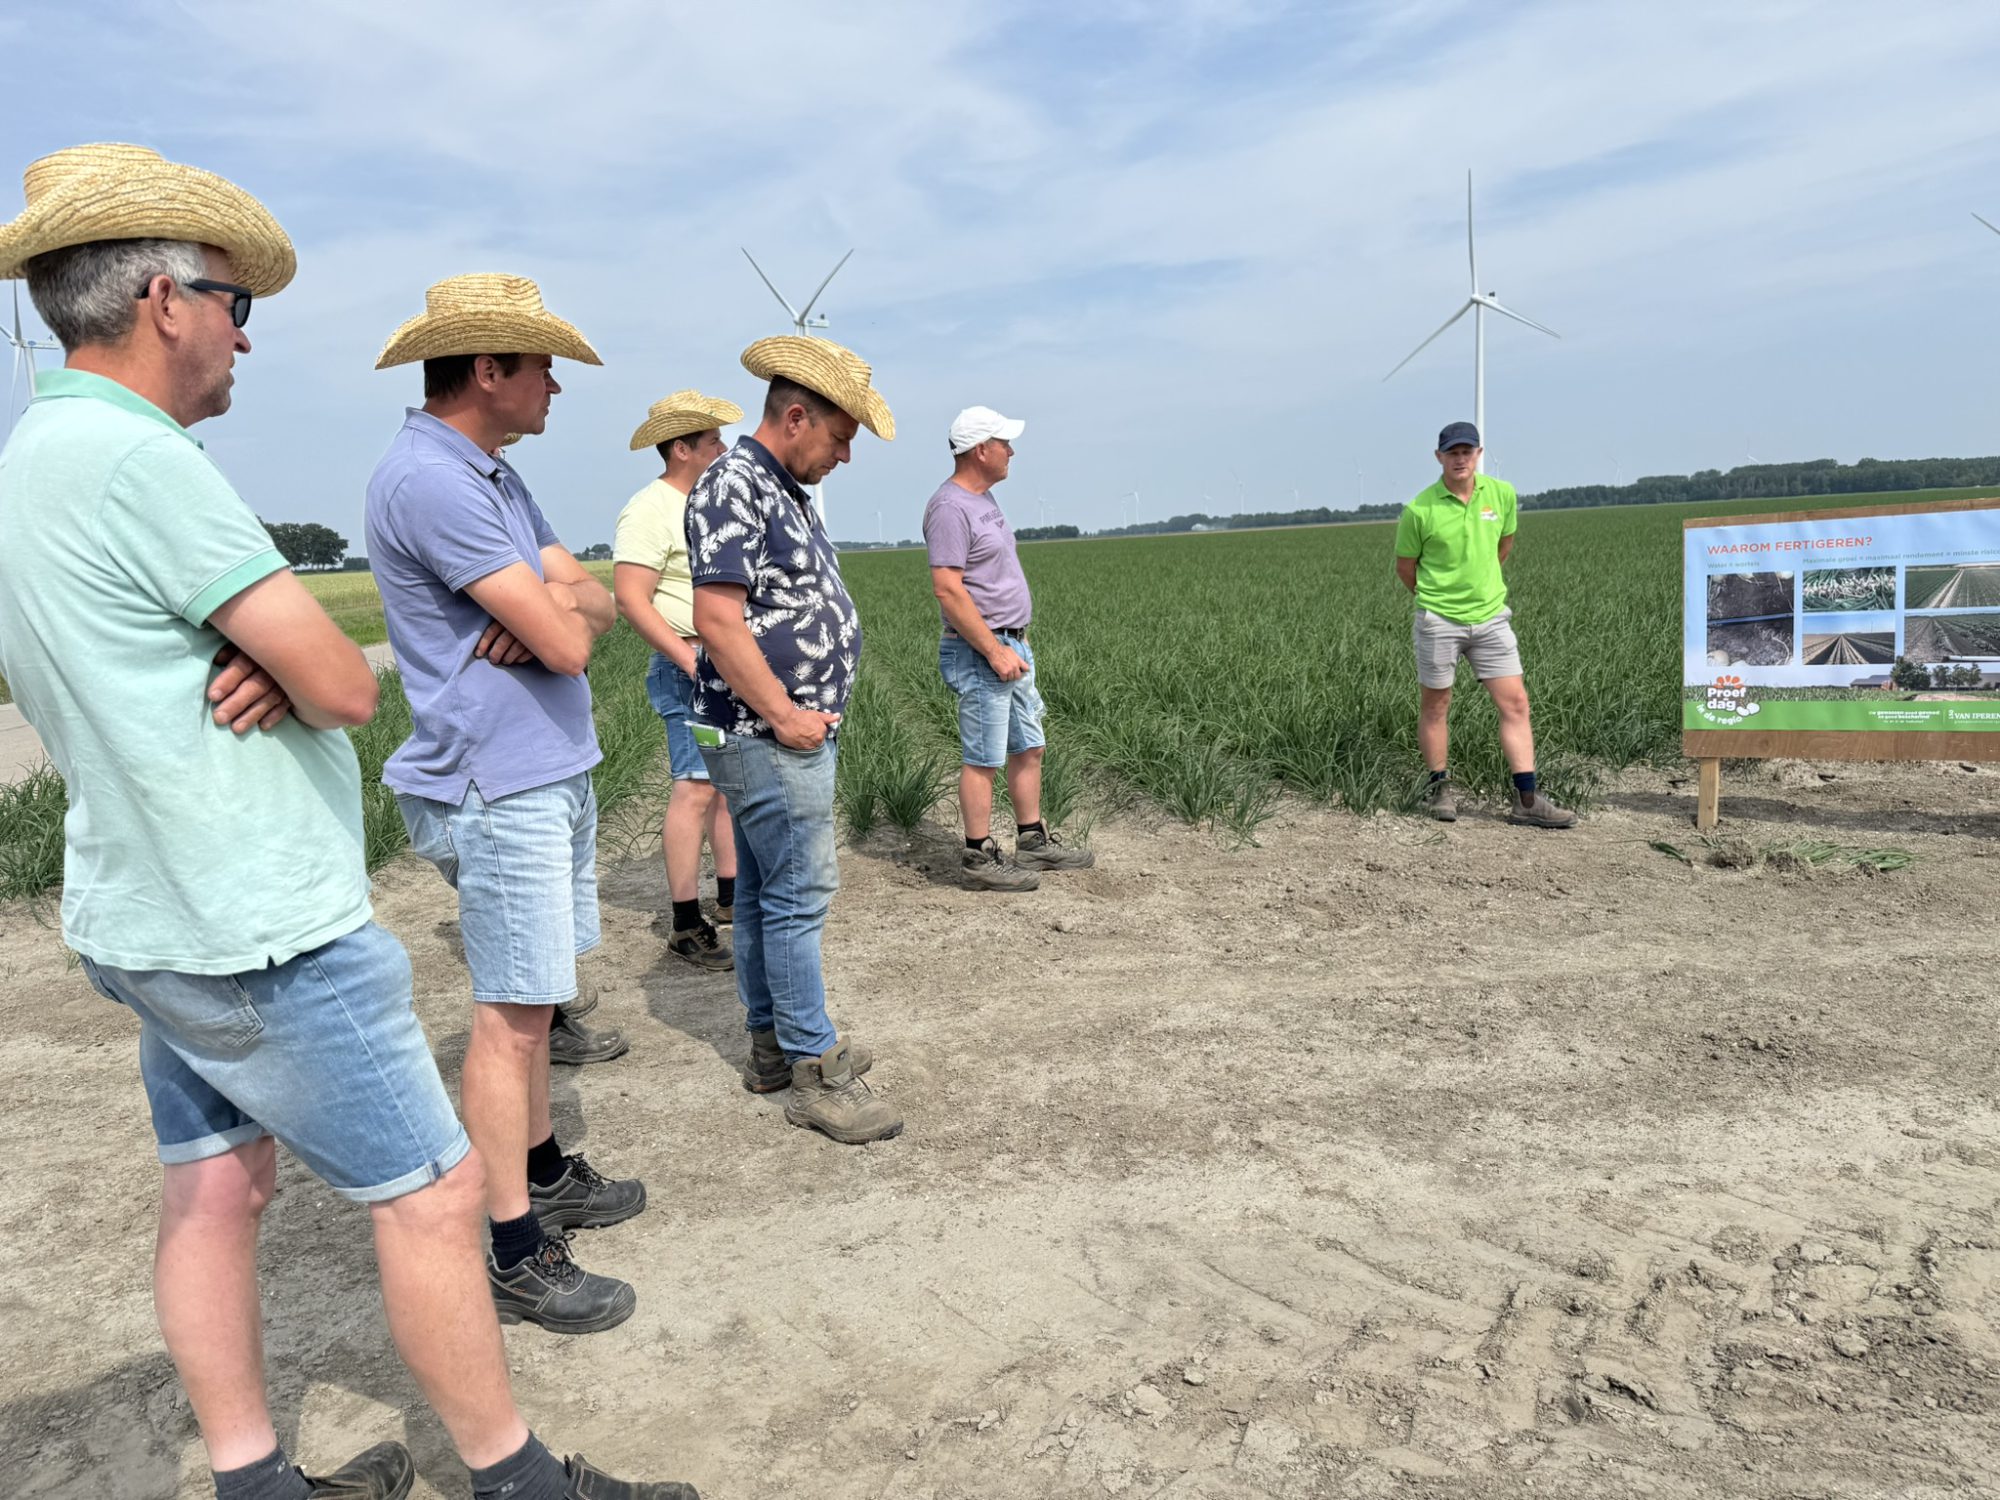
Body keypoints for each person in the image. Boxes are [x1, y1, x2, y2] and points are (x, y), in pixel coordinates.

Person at [0, 143, 693, 1500]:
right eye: (233, 302)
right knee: (433, 1196)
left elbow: (560, 605)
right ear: (161, 297)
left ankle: (253, 1480)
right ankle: (516, 1480)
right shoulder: (148, 464)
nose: (245, 336)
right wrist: (301, 657)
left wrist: (284, 648)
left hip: (146, 904)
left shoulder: (34, 453)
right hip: (255, 916)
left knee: (217, 1188)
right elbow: (334, 678)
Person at [366, 274, 646, 1337]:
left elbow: (590, 598)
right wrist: (558, 612)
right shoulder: (432, 482)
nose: (556, 391)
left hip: (540, 770)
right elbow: (578, 633)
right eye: (543, 369)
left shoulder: (489, 477)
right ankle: (513, 1247)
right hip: (500, 782)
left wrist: (554, 602)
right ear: (489, 370)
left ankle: (543, 1169)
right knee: (510, 1016)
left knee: (531, 1011)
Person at [686, 336, 898, 1144]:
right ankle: (813, 1068)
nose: (845, 456)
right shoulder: (735, 483)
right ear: (798, 416)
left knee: (770, 893)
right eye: (841, 438)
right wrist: (783, 712)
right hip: (764, 732)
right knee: (801, 893)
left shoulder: (781, 489)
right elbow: (716, 617)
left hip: (763, 728)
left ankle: (772, 1045)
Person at [924, 405, 1095, 891]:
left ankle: (1033, 840)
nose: (1011, 451)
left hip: (1012, 644)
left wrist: (1012, 644)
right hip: (983, 650)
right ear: (981, 450)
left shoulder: (984, 501)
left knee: (1030, 745)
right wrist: (994, 650)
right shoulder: (950, 507)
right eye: (1004, 443)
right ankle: (978, 856)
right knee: (984, 757)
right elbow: (948, 589)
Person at [613, 391, 743, 971]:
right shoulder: (649, 508)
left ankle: (735, 895)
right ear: (682, 448)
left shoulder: (711, 504)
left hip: (725, 661)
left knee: (726, 786)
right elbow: (631, 599)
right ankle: (687, 923)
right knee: (695, 787)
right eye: (713, 440)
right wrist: (687, 659)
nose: (724, 448)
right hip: (687, 665)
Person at [1393, 421, 1575, 828]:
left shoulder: (1502, 495)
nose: (1460, 459)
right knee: (1436, 705)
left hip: (1492, 618)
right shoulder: (1419, 510)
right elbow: (1406, 569)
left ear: (1479, 454)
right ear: (1438, 457)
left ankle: (1526, 800)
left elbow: (1502, 547)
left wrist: (1480, 591)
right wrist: (1440, 600)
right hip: (1439, 619)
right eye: (1452, 452)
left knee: (1516, 703)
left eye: (1467, 451)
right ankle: (1440, 789)